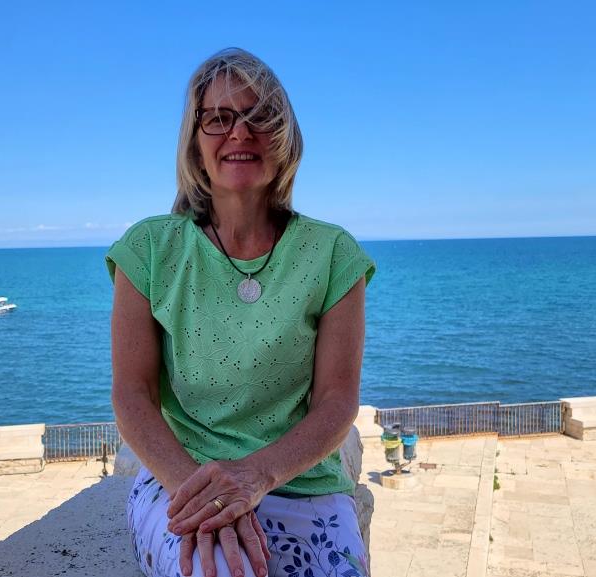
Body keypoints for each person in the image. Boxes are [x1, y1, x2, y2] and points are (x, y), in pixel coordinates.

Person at [106, 48, 375, 577]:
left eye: (260, 116)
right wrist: (205, 497)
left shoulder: (333, 254)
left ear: (285, 138)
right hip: (180, 481)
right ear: (194, 142)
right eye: (219, 118)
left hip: (301, 483)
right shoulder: (149, 249)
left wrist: (254, 478)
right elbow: (132, 395)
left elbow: (337, 402)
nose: (240, 132)